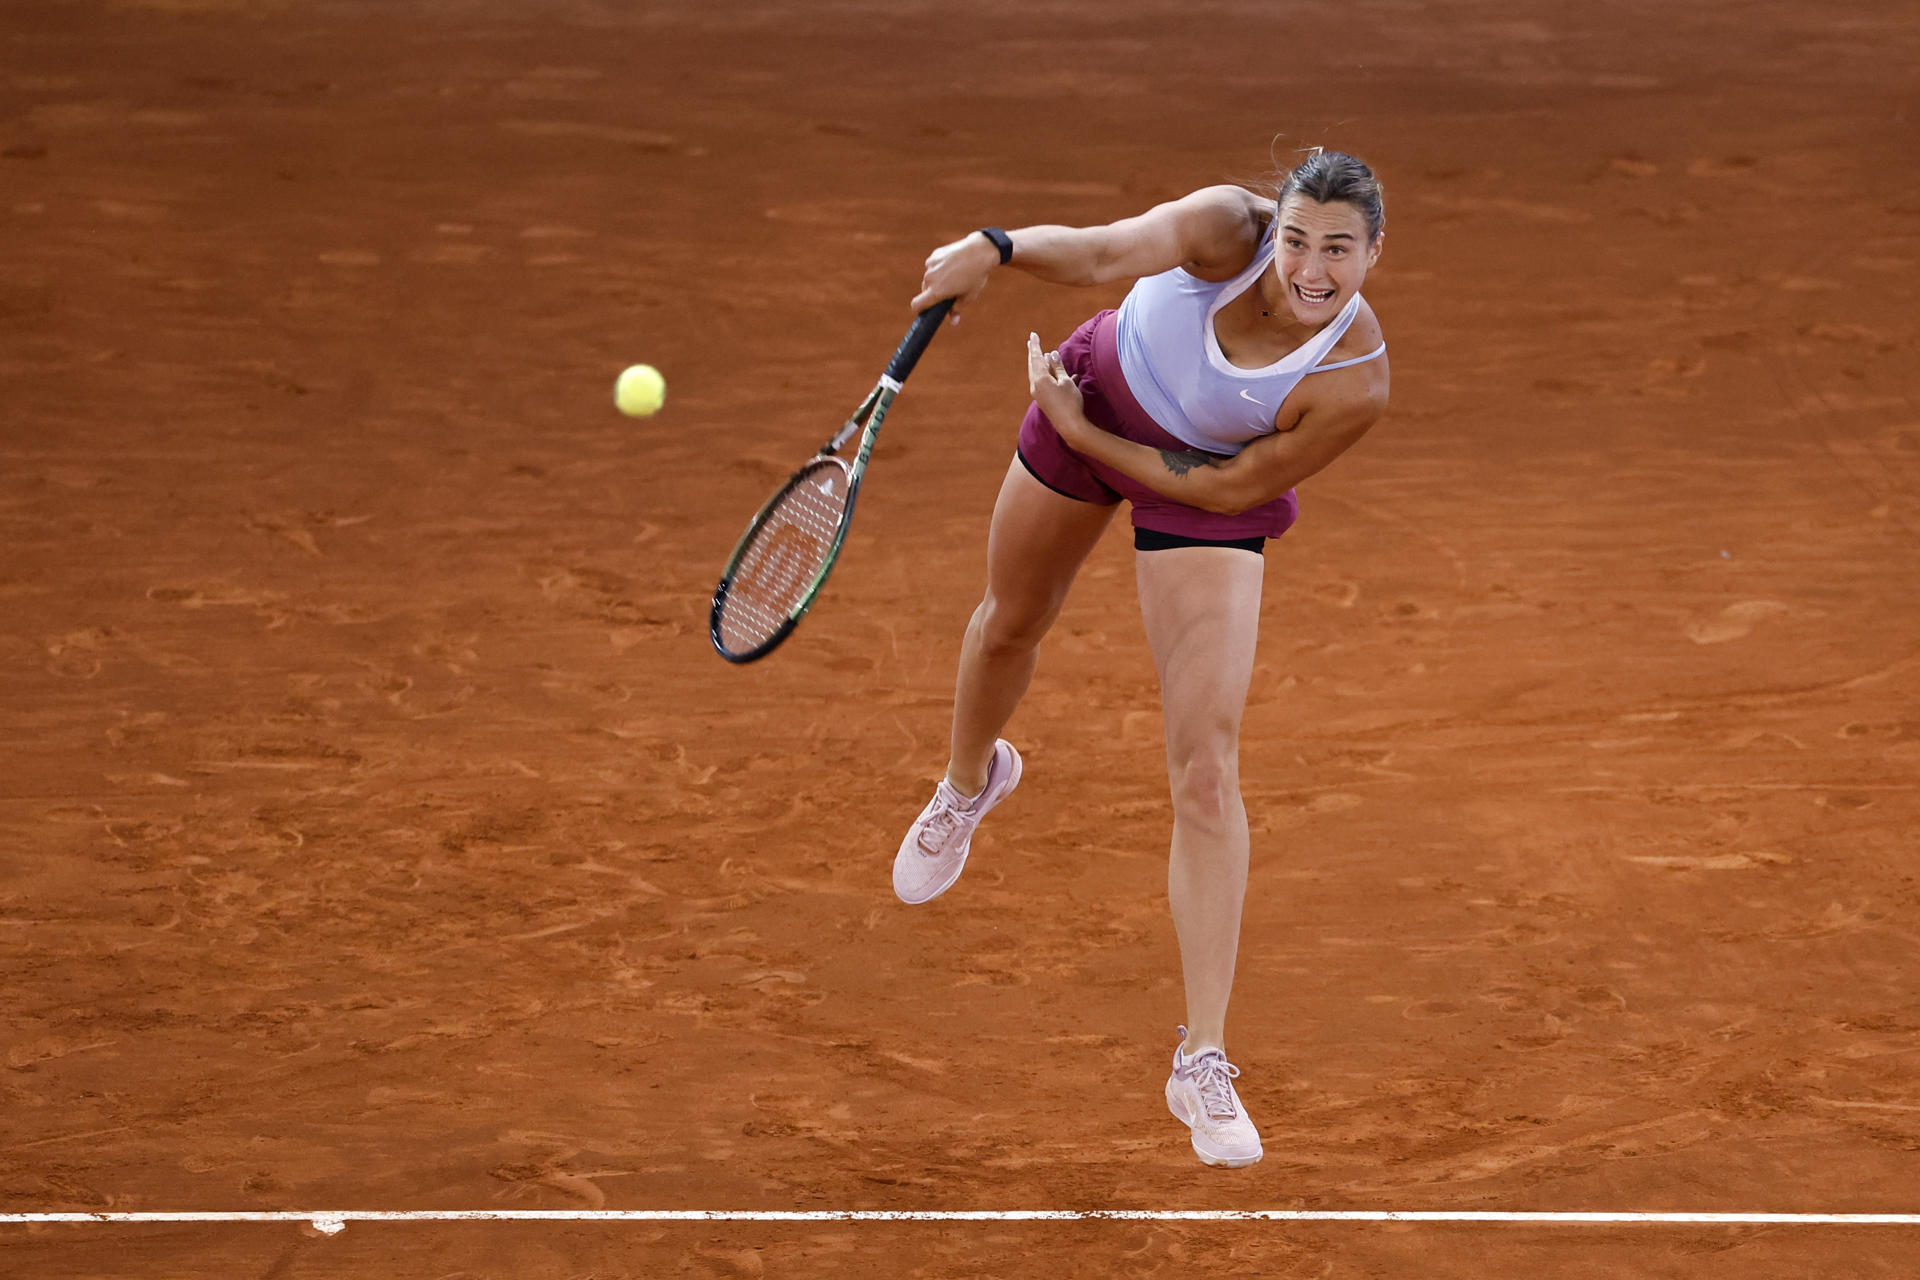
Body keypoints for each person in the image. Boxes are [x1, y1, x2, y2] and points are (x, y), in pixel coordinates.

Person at [892, 150, 1390, 1169]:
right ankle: (967, 780)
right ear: (1272, 225)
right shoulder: (1223, 227)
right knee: (1008, 624)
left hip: (1199, 485)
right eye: (1297, 238)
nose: (1310, 268)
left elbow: (1223, 487)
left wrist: (1083, 433)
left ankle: (1201, 1057)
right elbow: (1108, 252)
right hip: (1102, 393)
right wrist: (997, 248)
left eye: (1338, 250)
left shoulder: (1355, 378)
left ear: (1373, 253)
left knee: (1207, 769)